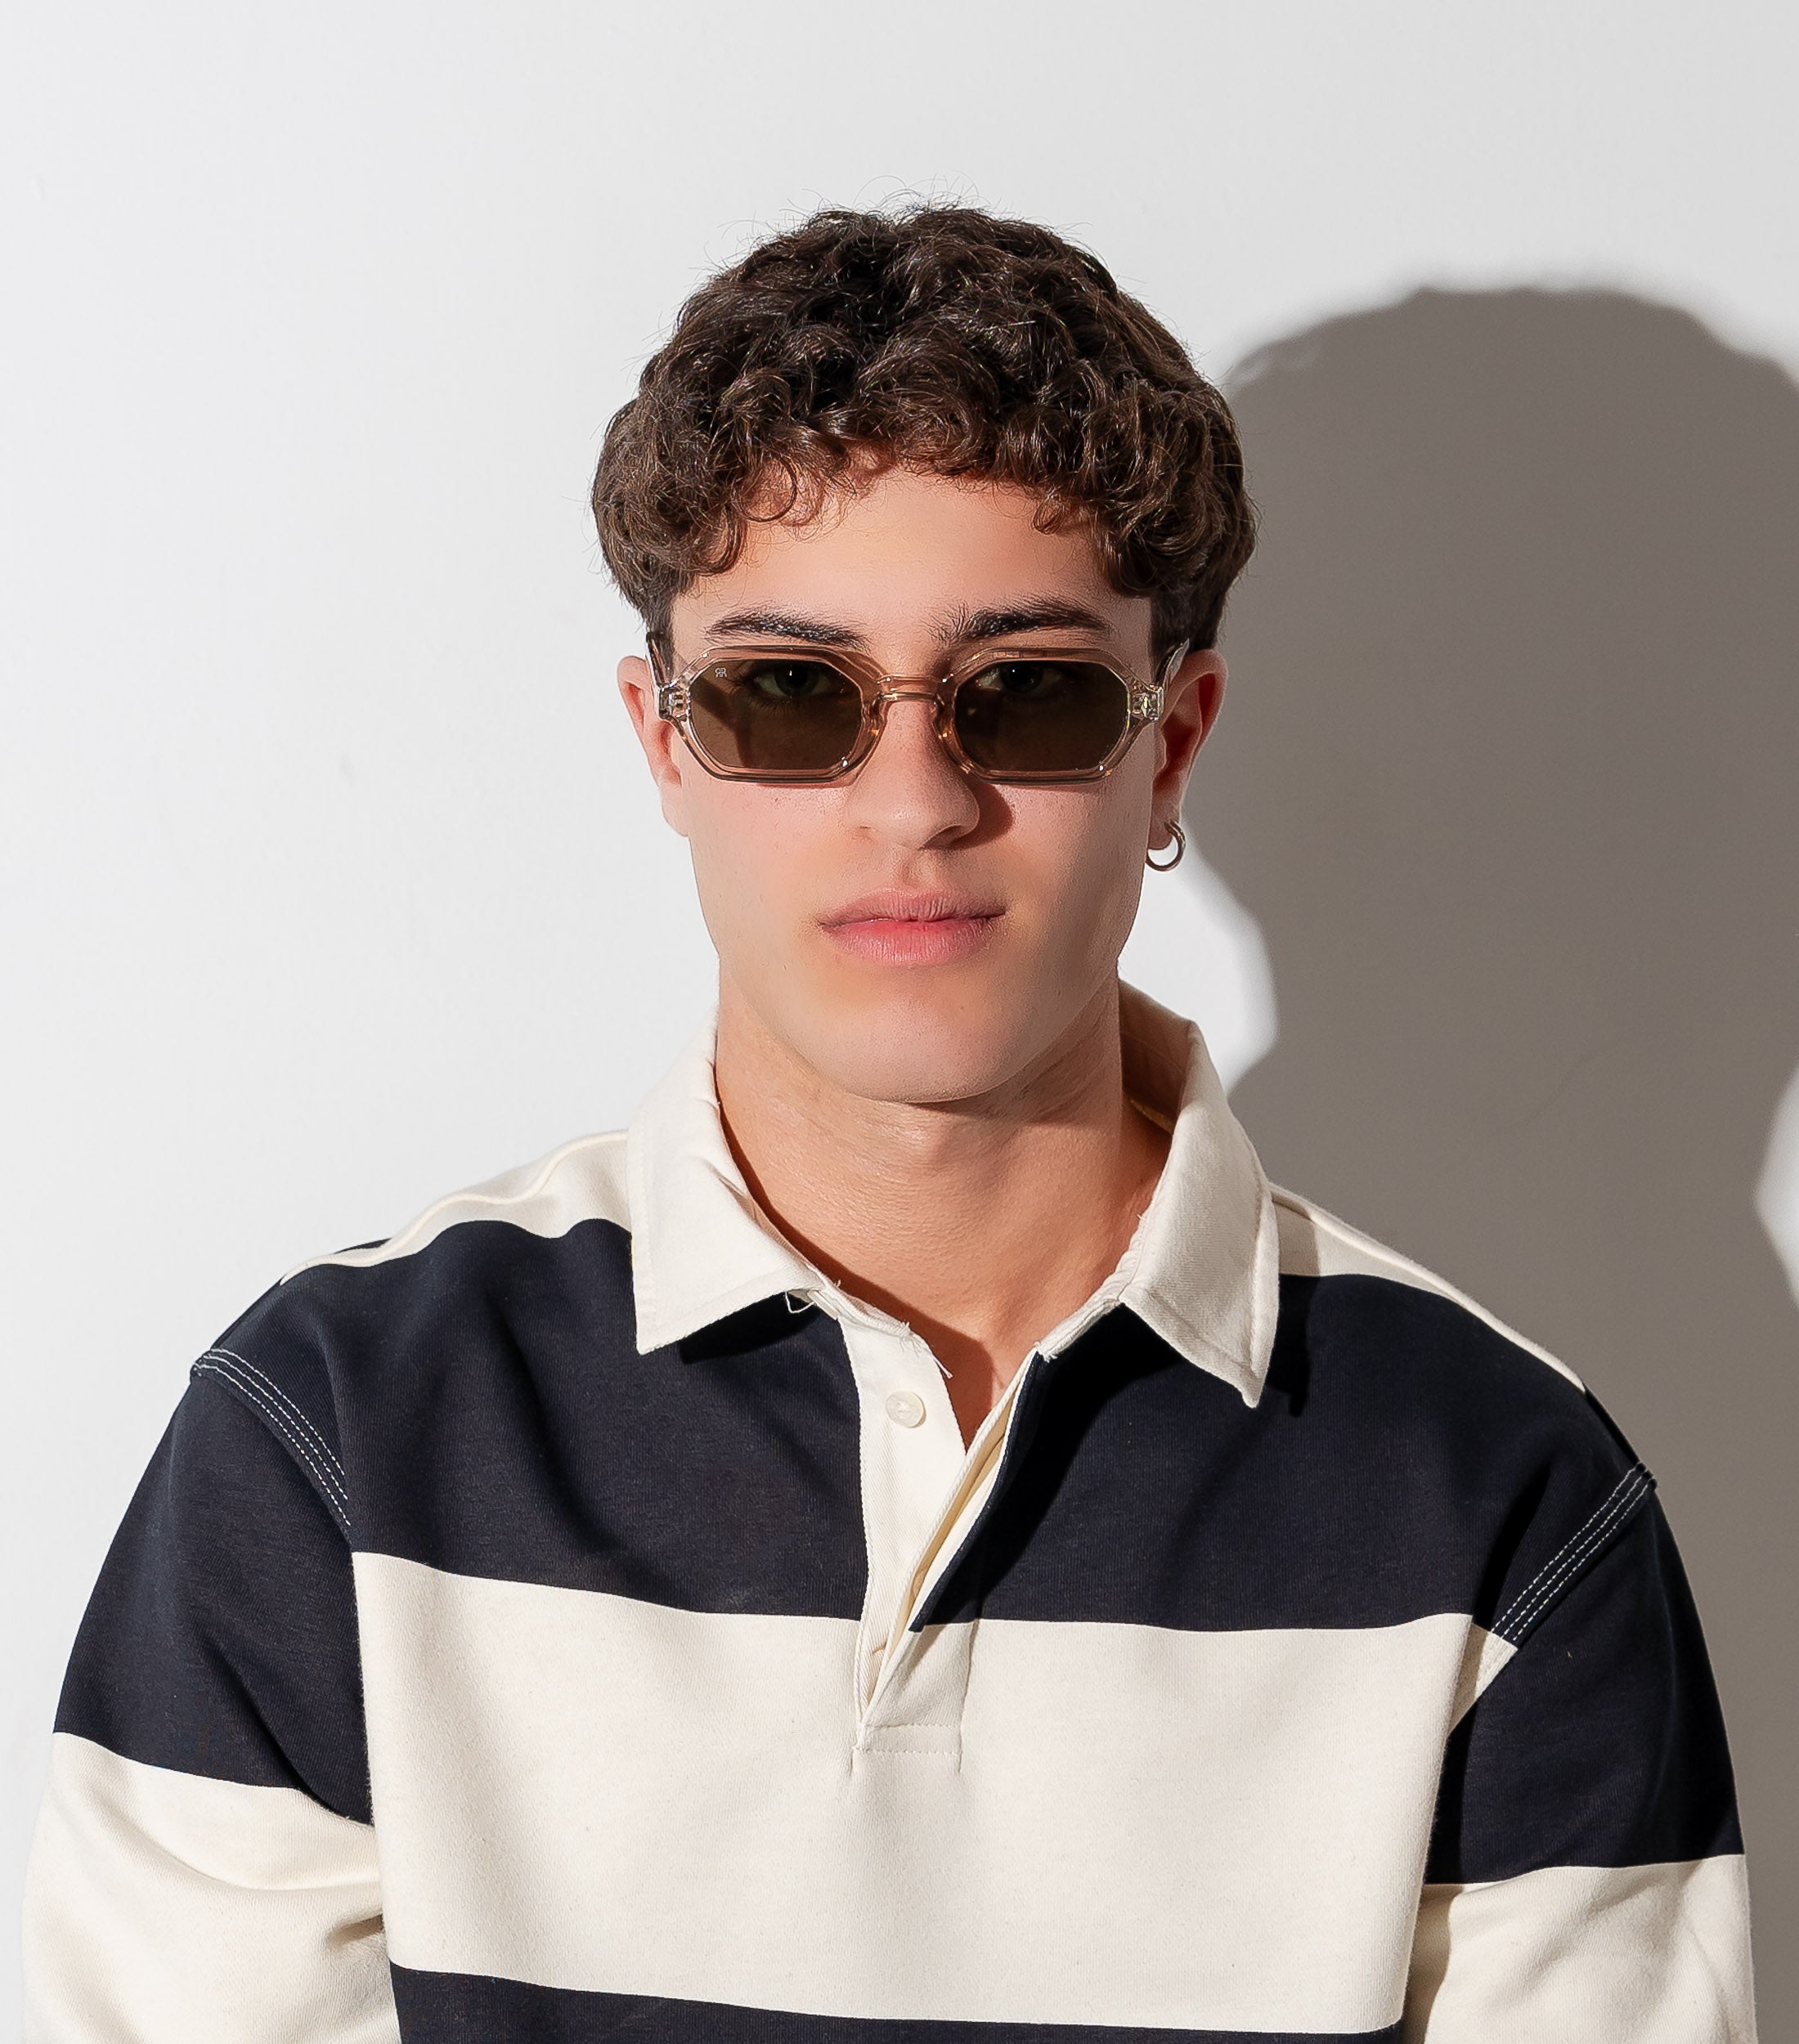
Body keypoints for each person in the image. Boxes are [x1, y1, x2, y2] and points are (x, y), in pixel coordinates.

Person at [21, 204, 1756, 2042]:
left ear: (1169, 742)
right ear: (664, 741)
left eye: (1027, 694)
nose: (915, 800)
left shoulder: (1503, 1492)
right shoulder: (335, 1437)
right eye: (790, 694)